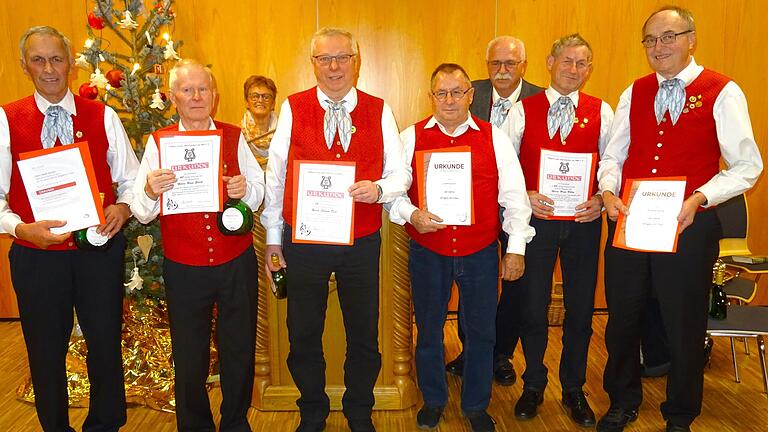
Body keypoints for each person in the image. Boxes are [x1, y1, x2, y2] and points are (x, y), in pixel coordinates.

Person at [596, 6, 763, 432]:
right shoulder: (633, 92)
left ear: (691, 39)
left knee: (683, 320)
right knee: (623, 317)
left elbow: (747, 166)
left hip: (690, 224)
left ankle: (681, 413)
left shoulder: (722, 90)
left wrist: (701, 197)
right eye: (650, 40)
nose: (659, 47)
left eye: (668, 36)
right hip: (630, 223)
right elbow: (613, 155)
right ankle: (622, 400)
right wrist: (608, 191)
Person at [261, 27, 410, 432]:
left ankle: (359, 412)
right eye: (324, 59)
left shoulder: (379, 110)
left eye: (342, 57)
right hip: (304, 242)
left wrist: (378, 189)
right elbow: (276, 178)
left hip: (360, 241)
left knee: (363, 334)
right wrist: (274, 239)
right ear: (313, 64)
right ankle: (312, 411)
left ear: (355, 61)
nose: (333, 67)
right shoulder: (294, 107)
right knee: (303, 332)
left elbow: (401, 175)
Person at [0, 26, 139, 431]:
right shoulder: (7, 120)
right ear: (24, 65)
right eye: (39, 60)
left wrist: (123, 207)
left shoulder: (103, 116)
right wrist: (21, 229)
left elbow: (130, 178)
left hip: (98, 251)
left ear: (70, 62)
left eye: (56, 59)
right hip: (36, 257)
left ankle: (105, 424)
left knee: (104, 345)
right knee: (45, 350)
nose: (49, 69)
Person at [388, 63, 534, 432]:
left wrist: (515, 248)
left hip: (480, 252)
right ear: (431, 97)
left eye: (458, 92)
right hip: (429, 252)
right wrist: (411, 213)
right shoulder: (411, 137)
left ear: (471, 95)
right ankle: (434, 399)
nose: (450, 100)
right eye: (442, 93)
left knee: (482, 331)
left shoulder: (493, 137)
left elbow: (515, 197)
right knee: (429, 327)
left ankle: (475, 405)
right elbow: (392, 194)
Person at [131, 59, 264, 432]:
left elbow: (259, 192)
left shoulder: (234, 137)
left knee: (238, 349)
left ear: (215, 95)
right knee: (189, 356)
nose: (196, 96)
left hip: (234, 261)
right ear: (173, 97)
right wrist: (148, 190)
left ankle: (236, 423)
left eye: (202, 89)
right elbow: (141, 212)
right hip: (184, 265)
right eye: (187, 90)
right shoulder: (159, 144)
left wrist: (245, 190)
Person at [501, 34, 613, 427]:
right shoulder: (522, 110)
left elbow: (612, 164)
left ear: (590, 68)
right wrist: (524, 193)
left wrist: (602, 197)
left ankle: (573, 388)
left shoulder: (603, 111)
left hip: (583, 223)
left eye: (583, 63)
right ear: (550, 62)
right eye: (567, 61)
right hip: (537, 225)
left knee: (581, 312)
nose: (574, 70)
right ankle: (533, 384)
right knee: (532, 308)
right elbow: (507, 166)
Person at [445, 35, 544, 386]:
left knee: (516, 284)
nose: (502, 71)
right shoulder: (466, 93)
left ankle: (501, 353)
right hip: (474, 208)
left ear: (524, 65)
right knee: (472, 281)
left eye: (510, 64)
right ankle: (470, 350)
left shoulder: (542, 100)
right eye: (495, 64)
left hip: (525, 207)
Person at [241, 75, 278, 169]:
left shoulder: (284, 133)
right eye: (255, 96)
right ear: (246, 102)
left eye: (266, 97)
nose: (260, 100)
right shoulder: (238, 134)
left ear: (273, 103)